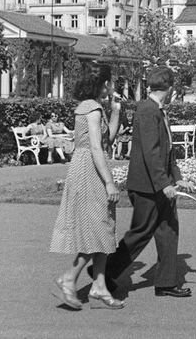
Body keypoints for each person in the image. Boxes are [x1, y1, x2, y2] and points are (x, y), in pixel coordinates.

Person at [101, 66, 195, 298]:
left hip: (159, 183)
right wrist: (164, 184)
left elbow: (168, 150)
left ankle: (166, 282)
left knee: (168, 230)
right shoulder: (147, 110)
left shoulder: (158, 110)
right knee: (141, 232)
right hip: (146, 186)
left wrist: (178, 178)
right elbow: (151, 153)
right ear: (170, 88)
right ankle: (103, 272)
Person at [49, 64, 123, 310]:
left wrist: (115, 113)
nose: (111, 86)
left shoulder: (93, 107)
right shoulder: (91, 109)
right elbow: (95, 148)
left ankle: (99, 287)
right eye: (109, 82)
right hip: (89, 170)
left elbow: (106, 141)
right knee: (97, 229)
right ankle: (69, 278)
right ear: (103, 84)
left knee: (103, 225)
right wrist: (110, 182)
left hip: (88, 167)